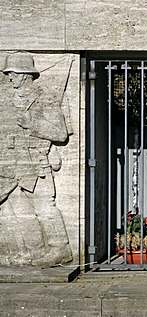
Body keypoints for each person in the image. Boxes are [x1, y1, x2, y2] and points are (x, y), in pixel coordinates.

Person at [0, 52, 72, 266]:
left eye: (12, 73)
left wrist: (32, 123)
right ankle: (33, 251)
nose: (9, 77)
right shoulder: (5, 99)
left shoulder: (45, 97)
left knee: (44, 208)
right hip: (10, 163)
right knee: (14, 210)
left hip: (36, 163)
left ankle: (61, 249)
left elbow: (60, 133)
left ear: (24, 75)